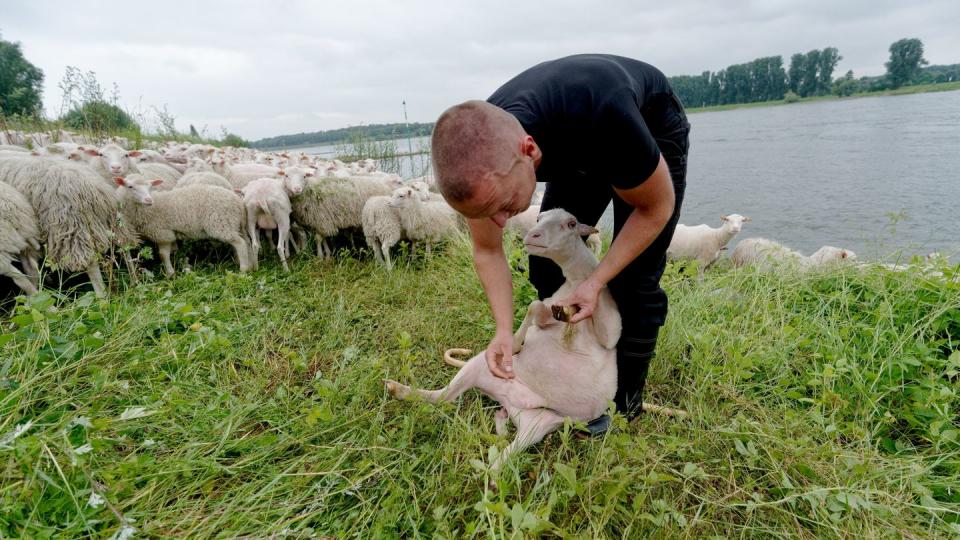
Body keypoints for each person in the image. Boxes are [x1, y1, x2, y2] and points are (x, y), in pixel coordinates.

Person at [430, 54, 689, 433]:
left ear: (530, 151)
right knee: (545, 260)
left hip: (640, 126)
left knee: (634, 281)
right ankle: (564, 363)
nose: (501, 221)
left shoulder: (606, 118)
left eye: (502, 206)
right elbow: (488, 249)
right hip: (574, 143)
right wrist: (503, 330)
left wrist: (596, 281)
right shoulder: (482, 163)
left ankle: (624, 405)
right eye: (488, 212)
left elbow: (655, 209)